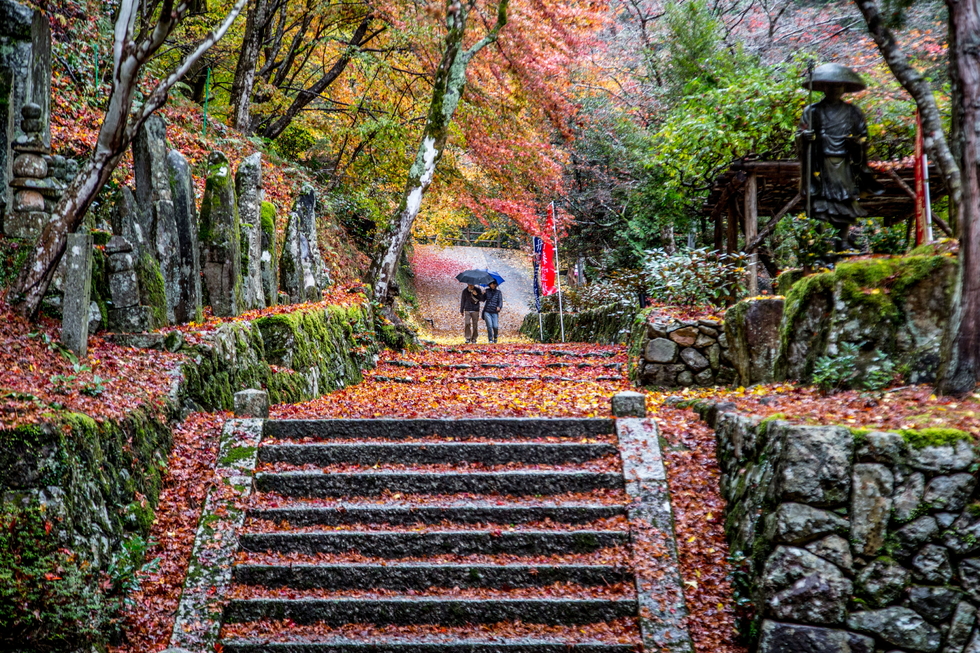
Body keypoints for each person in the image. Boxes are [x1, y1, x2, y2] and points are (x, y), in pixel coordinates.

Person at [796, 63, 883, 252]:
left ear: (845, 88)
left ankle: (842, 240)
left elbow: (863, 136)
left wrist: (857, 143)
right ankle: (822, 243)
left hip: (846, 162)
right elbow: (800, 134)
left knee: (845, 201)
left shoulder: (853, 112)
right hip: (821, 161)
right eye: (830, 86)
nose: (834, 89)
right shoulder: (812, 111)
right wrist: (805, 137)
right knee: (821, 203)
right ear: (823, 87)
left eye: (838, 86)